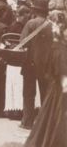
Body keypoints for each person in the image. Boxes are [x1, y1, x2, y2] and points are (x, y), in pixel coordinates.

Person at [24, 10, 67, 147]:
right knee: (56, 119)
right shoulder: (59, 49)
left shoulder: (57, 47)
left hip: (56, 88)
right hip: (60, 90)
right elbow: (63, 76)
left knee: (50, 118)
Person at [19, 0, 54, 129]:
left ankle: (27, 121)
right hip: (47, 64)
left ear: (34, 11)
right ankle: (45, 124)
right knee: (45, 93)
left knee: (28, 93)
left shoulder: (31, 23)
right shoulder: (52, 25)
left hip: (30, 63)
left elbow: (23, 42)